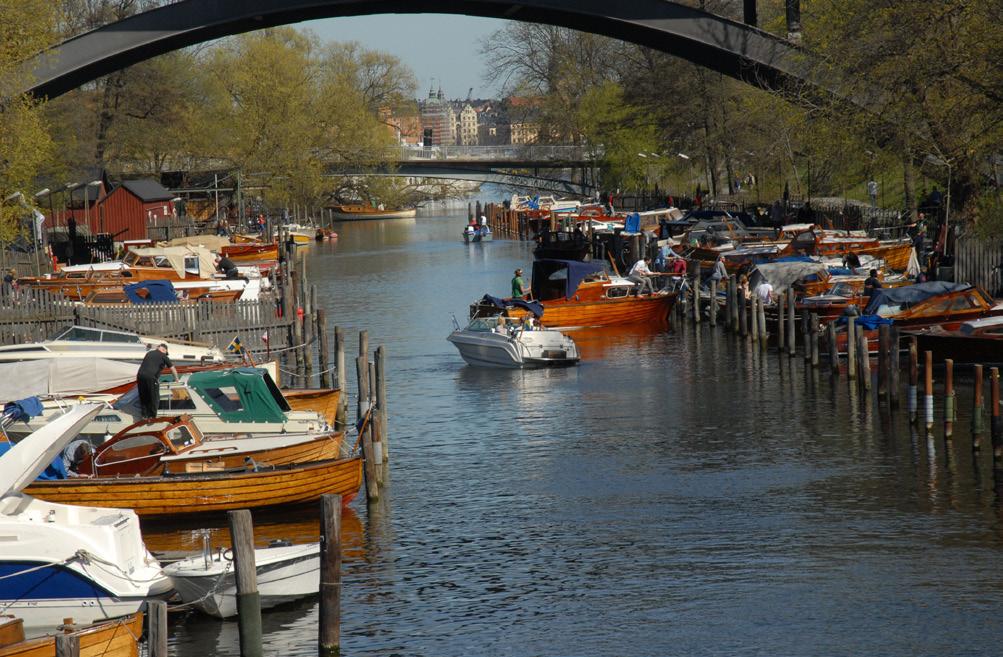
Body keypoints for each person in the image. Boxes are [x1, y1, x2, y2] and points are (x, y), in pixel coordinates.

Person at [136, 344, 179, 419]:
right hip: (150, 377)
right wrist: (176, 380)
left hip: (140, 376)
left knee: (144, 396)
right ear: (164, 350)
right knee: (154, 396)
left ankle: (144, 415)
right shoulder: (163, 356)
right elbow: (173, 369)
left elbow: (150, 365)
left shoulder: (149, 353)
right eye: (166, 352)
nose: (166, 354)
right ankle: (152, 417)